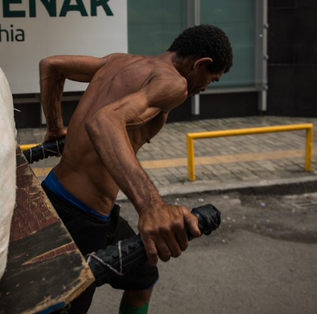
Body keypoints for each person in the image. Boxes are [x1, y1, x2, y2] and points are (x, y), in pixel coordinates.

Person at [39, 24, 233, 314]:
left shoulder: (119, 61)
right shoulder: (174, 83)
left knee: (142, 277)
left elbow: (51, 66)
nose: (205, 87)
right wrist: (151, 206)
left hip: (59, 195)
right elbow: (105, 122)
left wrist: (55, 127)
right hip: (81, 218)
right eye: (212, 79)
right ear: (201, 64)